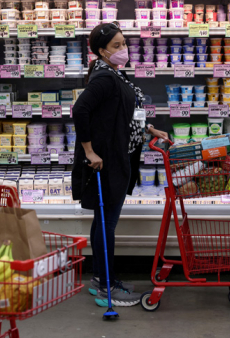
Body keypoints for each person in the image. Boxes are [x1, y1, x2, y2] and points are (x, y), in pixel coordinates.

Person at [72, 22, 168, 307]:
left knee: (103, 221)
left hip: (117, 157)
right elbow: (80, 109)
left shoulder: (115, 74)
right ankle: (105, 287)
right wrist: (89, 151)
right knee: (106, 223)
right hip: (106, 162)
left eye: (124, 43)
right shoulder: (104, 78)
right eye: (116, 46)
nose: (123, 49)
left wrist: (149, 128)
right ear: (102, 51)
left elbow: (125, 111)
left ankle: (102, 279)